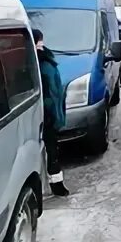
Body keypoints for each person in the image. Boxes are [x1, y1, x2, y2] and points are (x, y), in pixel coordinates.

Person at [32, 29, 69, 197]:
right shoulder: (44, 61)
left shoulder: (41, 61)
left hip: (48, 114)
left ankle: (55, 183)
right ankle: (55, 185)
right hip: (47, 114)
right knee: (50, 150)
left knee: (51, 150)